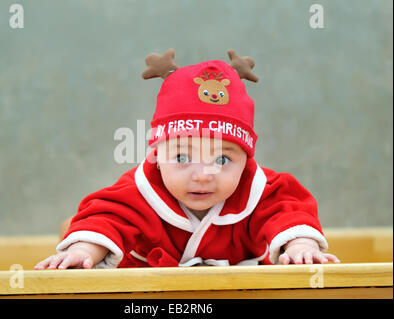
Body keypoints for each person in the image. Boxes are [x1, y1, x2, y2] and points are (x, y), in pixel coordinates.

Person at [35, 49, 339, 270]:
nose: (203, 174)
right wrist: (86, 248)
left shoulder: (258, 190)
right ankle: (77, 241)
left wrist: (300, 245)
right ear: (156, 155)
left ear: (246, 159)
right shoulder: (142, 191)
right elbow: (109, 216)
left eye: (222, 159)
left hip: (232, 286)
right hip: (148, 289)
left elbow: (287, 212)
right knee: (85, 230)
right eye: (181, 156)